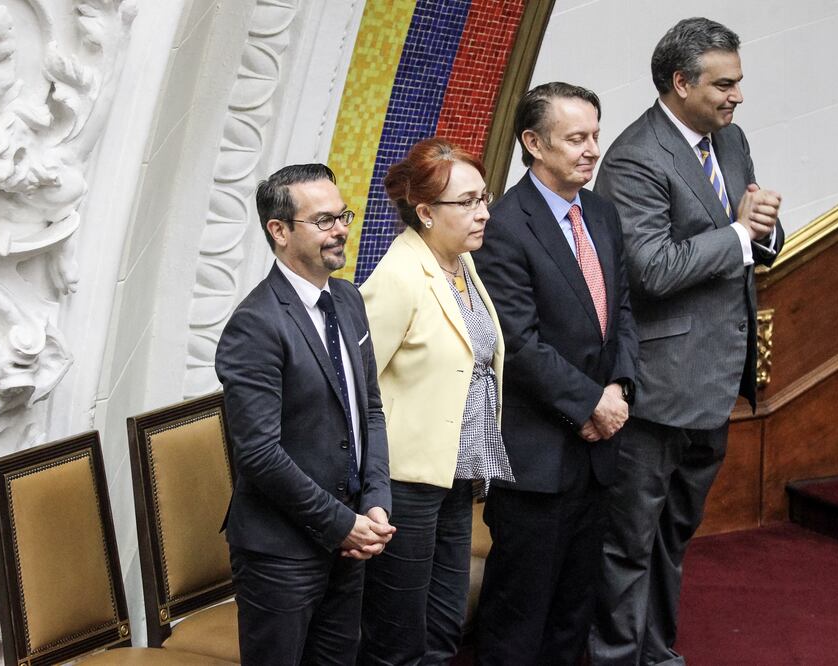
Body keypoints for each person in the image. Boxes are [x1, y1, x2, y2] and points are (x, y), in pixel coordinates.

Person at [587, 17, 785, 666]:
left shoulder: (729, 141)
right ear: (680, 82)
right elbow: (650, 269)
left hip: (715, 380)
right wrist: (734, 235)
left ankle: (658, 655)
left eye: (738, 83)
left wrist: (763, 233)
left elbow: (749, 234)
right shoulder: (634, 157)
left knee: (673, 535)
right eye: (723, 84)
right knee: (627, 545)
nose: (736, 97)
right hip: (655, 388)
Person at [471, 82, 638, 665]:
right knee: (519, 619)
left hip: (598, 454)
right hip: (536, 459)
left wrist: (618, 389)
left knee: (574, 613)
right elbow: (517, 343)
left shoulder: (602, 213)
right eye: (576, 138)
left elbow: (621, 313)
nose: (592, 149)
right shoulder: (504, 225)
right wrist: (591, 403)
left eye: (595, 134)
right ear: (533, 143)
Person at [215, 163, 394, 666]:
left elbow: (371, 412)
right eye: (323, 221)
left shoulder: (349, 300)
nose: (340, 229)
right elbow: (259, 454)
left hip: (350, 539)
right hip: (282, 553)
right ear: (279, 230)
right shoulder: (255, 324)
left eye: (343, 216)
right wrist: (341, 523)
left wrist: (375, 502)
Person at [357, 137, 513, 664]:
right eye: (466, 202)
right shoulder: (399, 277)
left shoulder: (461, 266)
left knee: (443, 627)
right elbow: (355, 389)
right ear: (424, 212)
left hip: (455, 478)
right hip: (405, 486)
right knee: (398, 636)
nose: (483, 212)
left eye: (484, 198)